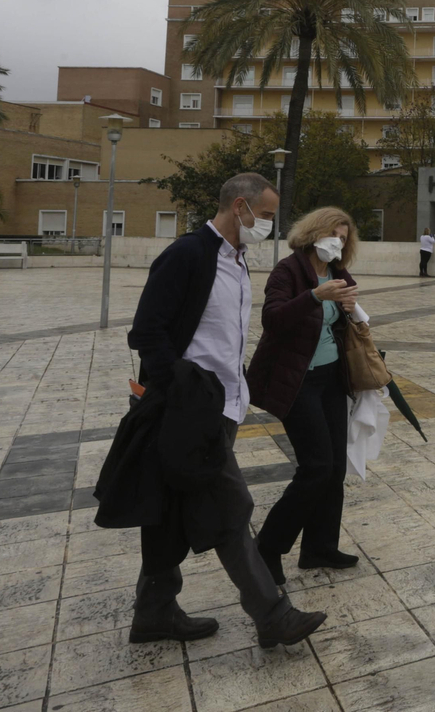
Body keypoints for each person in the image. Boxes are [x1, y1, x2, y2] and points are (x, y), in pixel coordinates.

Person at [122, 173, 326, 648]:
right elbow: (146, 331)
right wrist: (178, 389)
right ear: (241, 207)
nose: (270, 225)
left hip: (225, 406)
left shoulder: (237, 260)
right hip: (192, 410)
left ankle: (153, 613)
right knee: (233, 508)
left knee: (169, 509)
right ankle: (273, 616)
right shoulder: (188, 255)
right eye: (268, 215)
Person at [247, 207, 362, 585]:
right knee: (315, 468)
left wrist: (349, 308)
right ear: (314, 233)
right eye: (334, 234)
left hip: (331, 378)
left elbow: (344, 323)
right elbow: (273, 319)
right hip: (295, 380)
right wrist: (315, 295)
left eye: (344, 238)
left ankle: (319, 547)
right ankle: (268, 546)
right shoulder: (289, 270)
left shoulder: (339, 273)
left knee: (335, 469)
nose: (339, 242)